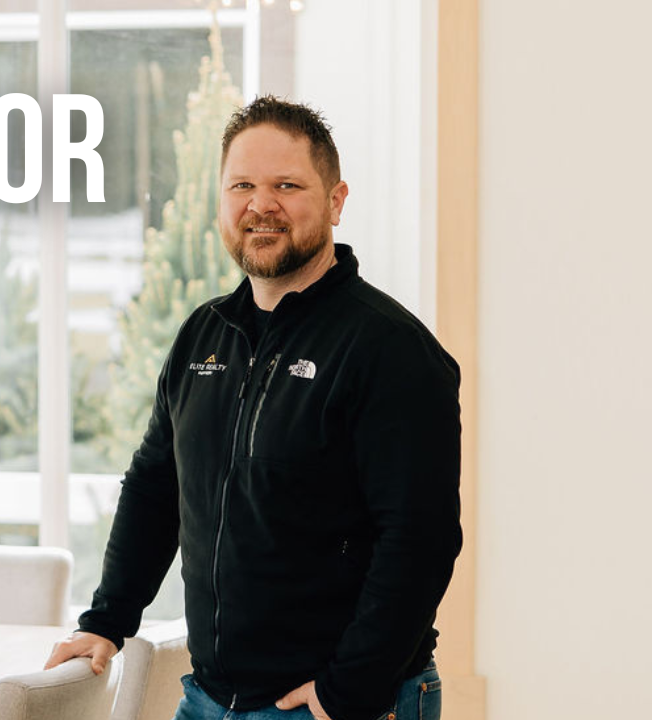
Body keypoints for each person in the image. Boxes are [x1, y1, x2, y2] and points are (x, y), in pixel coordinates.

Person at [45, 96, 462, 720]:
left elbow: (420, 540)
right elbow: (157, 489)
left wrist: (346, 693)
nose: (260, 204)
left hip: (336, 704)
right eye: (242, 184)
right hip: (210, 699)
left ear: (336, 201)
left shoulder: (390, 349)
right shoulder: (202, 336)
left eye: (287, 185)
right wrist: (107, 620)